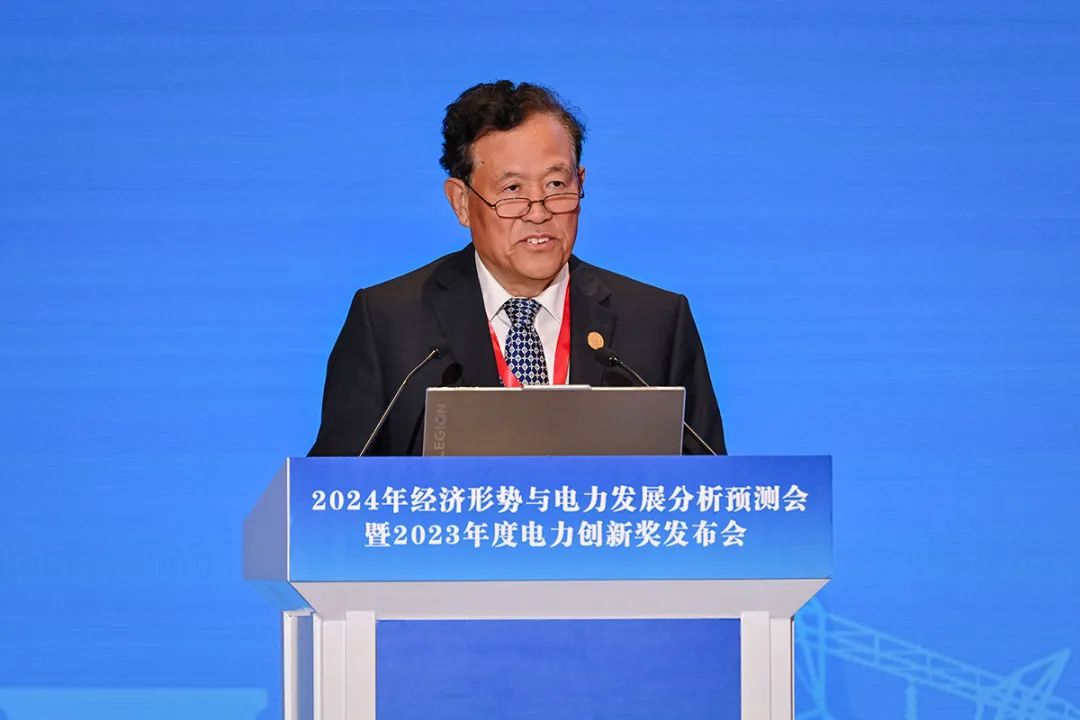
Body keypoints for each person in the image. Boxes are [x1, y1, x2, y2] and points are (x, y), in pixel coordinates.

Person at [309, 80, 725, 456]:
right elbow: (329, 494)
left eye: (557, 185)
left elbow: (713, 488)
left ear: (580, 182)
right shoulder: (389, 323)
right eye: (512, 190)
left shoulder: (656, 322)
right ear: (461, 203)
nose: (539, 212)